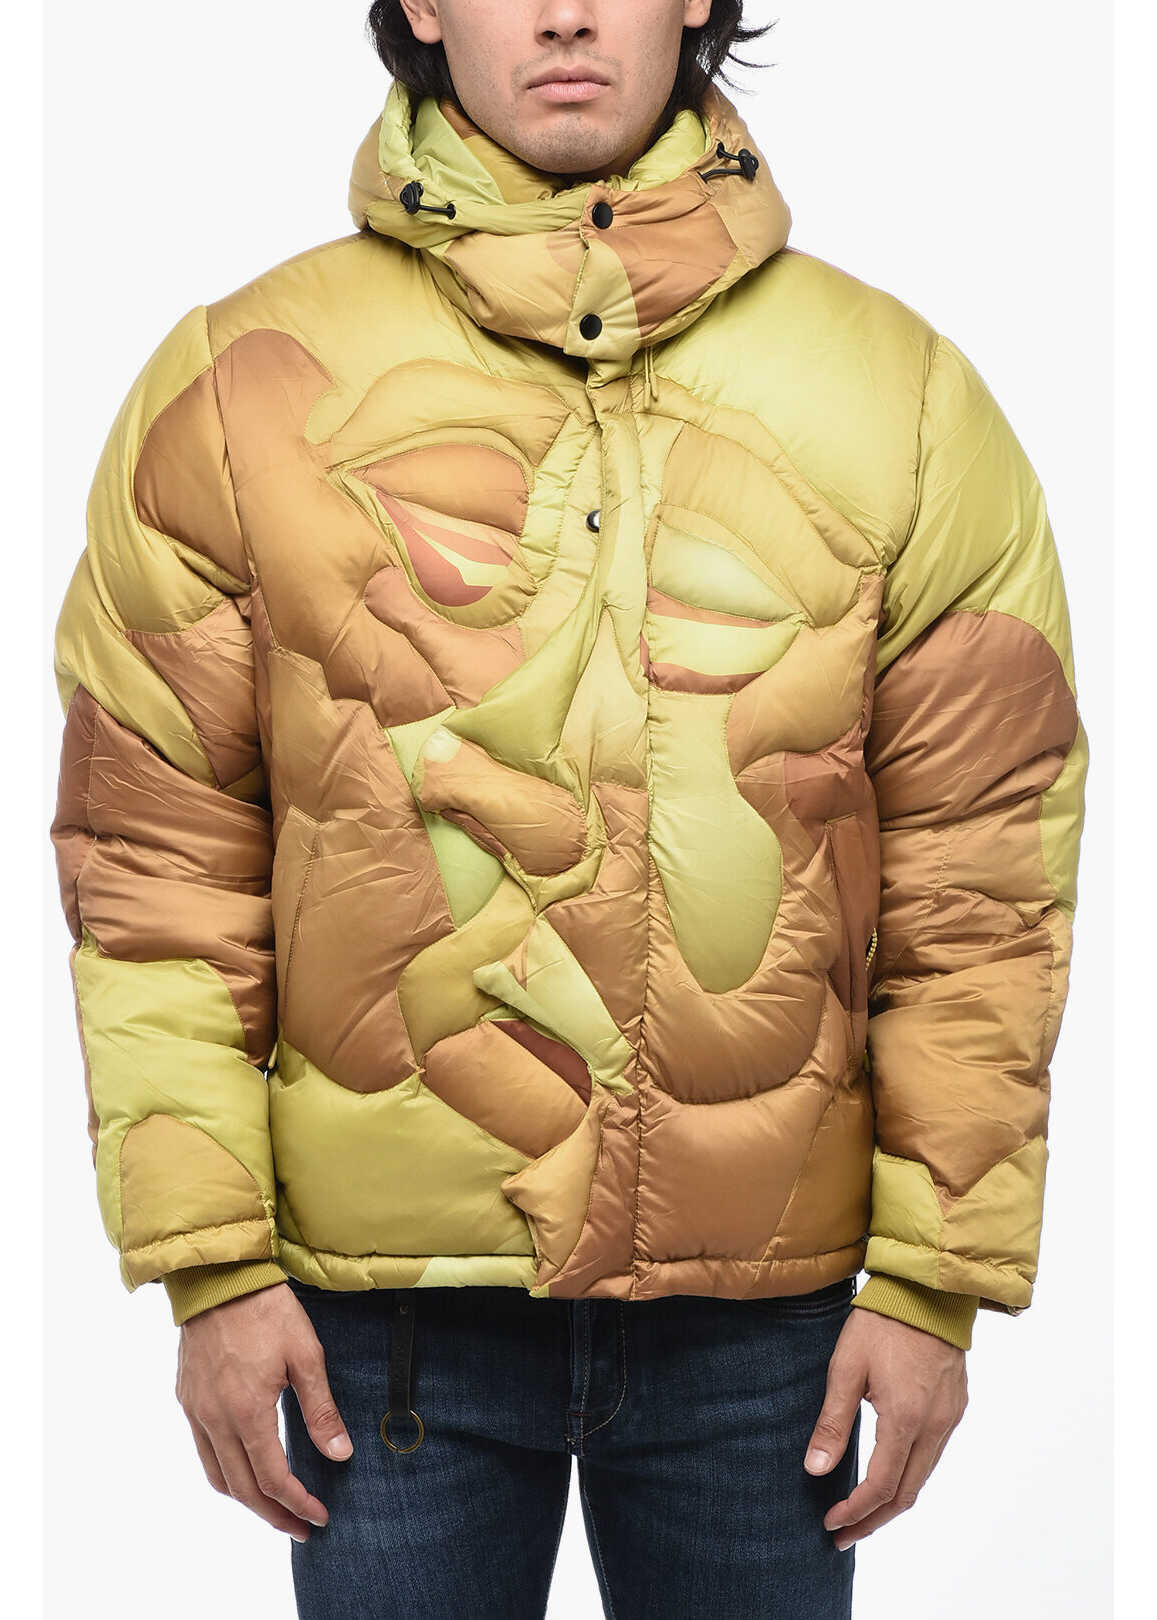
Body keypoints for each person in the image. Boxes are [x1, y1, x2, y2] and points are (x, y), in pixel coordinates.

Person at [47, 3, 1089, 1617]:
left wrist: (935, 1279)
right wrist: (211, 1264)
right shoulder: (235, 385)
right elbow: (157, 851)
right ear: (418, 5)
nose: (562, 14)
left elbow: (982, 861)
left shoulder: (900, 394)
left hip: (770, 1330)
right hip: (376, 1328)